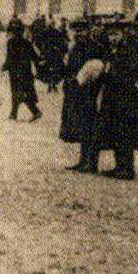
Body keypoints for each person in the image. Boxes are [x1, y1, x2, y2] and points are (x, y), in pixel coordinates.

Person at [87, 33, 138, 178]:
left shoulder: (128, 51)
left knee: (124, 131)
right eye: (111, 34)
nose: (113, 37)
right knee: (115, 132)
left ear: (122, 35)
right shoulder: (112, 52)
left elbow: (135, 69)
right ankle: (120, 166)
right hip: (113, 98)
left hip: (125, 98)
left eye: (116, 34)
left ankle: (126, 169)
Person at [60, 26, 104, 172]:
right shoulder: (76, 47)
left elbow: (95, 70)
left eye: (82, 31)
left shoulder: (93, 47)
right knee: (82, 127)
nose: (79, 34)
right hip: (77, 90)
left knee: (90, 126)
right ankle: (83, 160)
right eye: (76, 31)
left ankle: (91, 163)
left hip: (88, 91)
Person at [2, 20, 40, 121]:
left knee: (17, 93)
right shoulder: (27, 43)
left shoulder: (11, 42)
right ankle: (15, 114)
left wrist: (4, 67)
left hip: (15, 72)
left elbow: (9, 57)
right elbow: (35, 57)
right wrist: (38, 68)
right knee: (24, 93)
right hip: (26, 73)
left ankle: (33, 112)